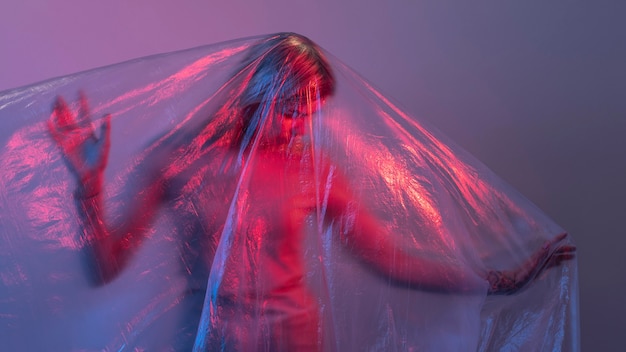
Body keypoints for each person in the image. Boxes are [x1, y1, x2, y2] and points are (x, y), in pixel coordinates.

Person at [46, 33, 575, 351]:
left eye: (309, 116)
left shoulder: (310, 170)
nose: (298, 129)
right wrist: (88, 187)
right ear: (256, 94)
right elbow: (106, 265)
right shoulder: (181, 162)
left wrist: (502, 281)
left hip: (296, 338)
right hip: (218, 337)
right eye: (290, 111)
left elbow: (388, 258)